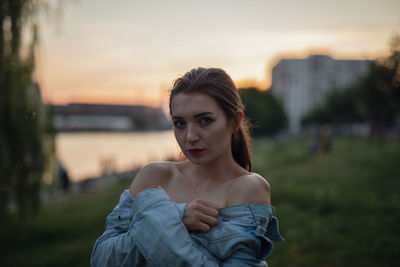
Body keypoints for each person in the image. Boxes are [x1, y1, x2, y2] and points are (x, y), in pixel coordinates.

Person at [91, 67, 283, 266]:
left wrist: (160, 222)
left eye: (205, 120)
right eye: (180, 123)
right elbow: (102, 259)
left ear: (234, 122)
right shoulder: (154, 175)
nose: (190, 136)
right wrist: (178, 217)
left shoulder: (248, 188)